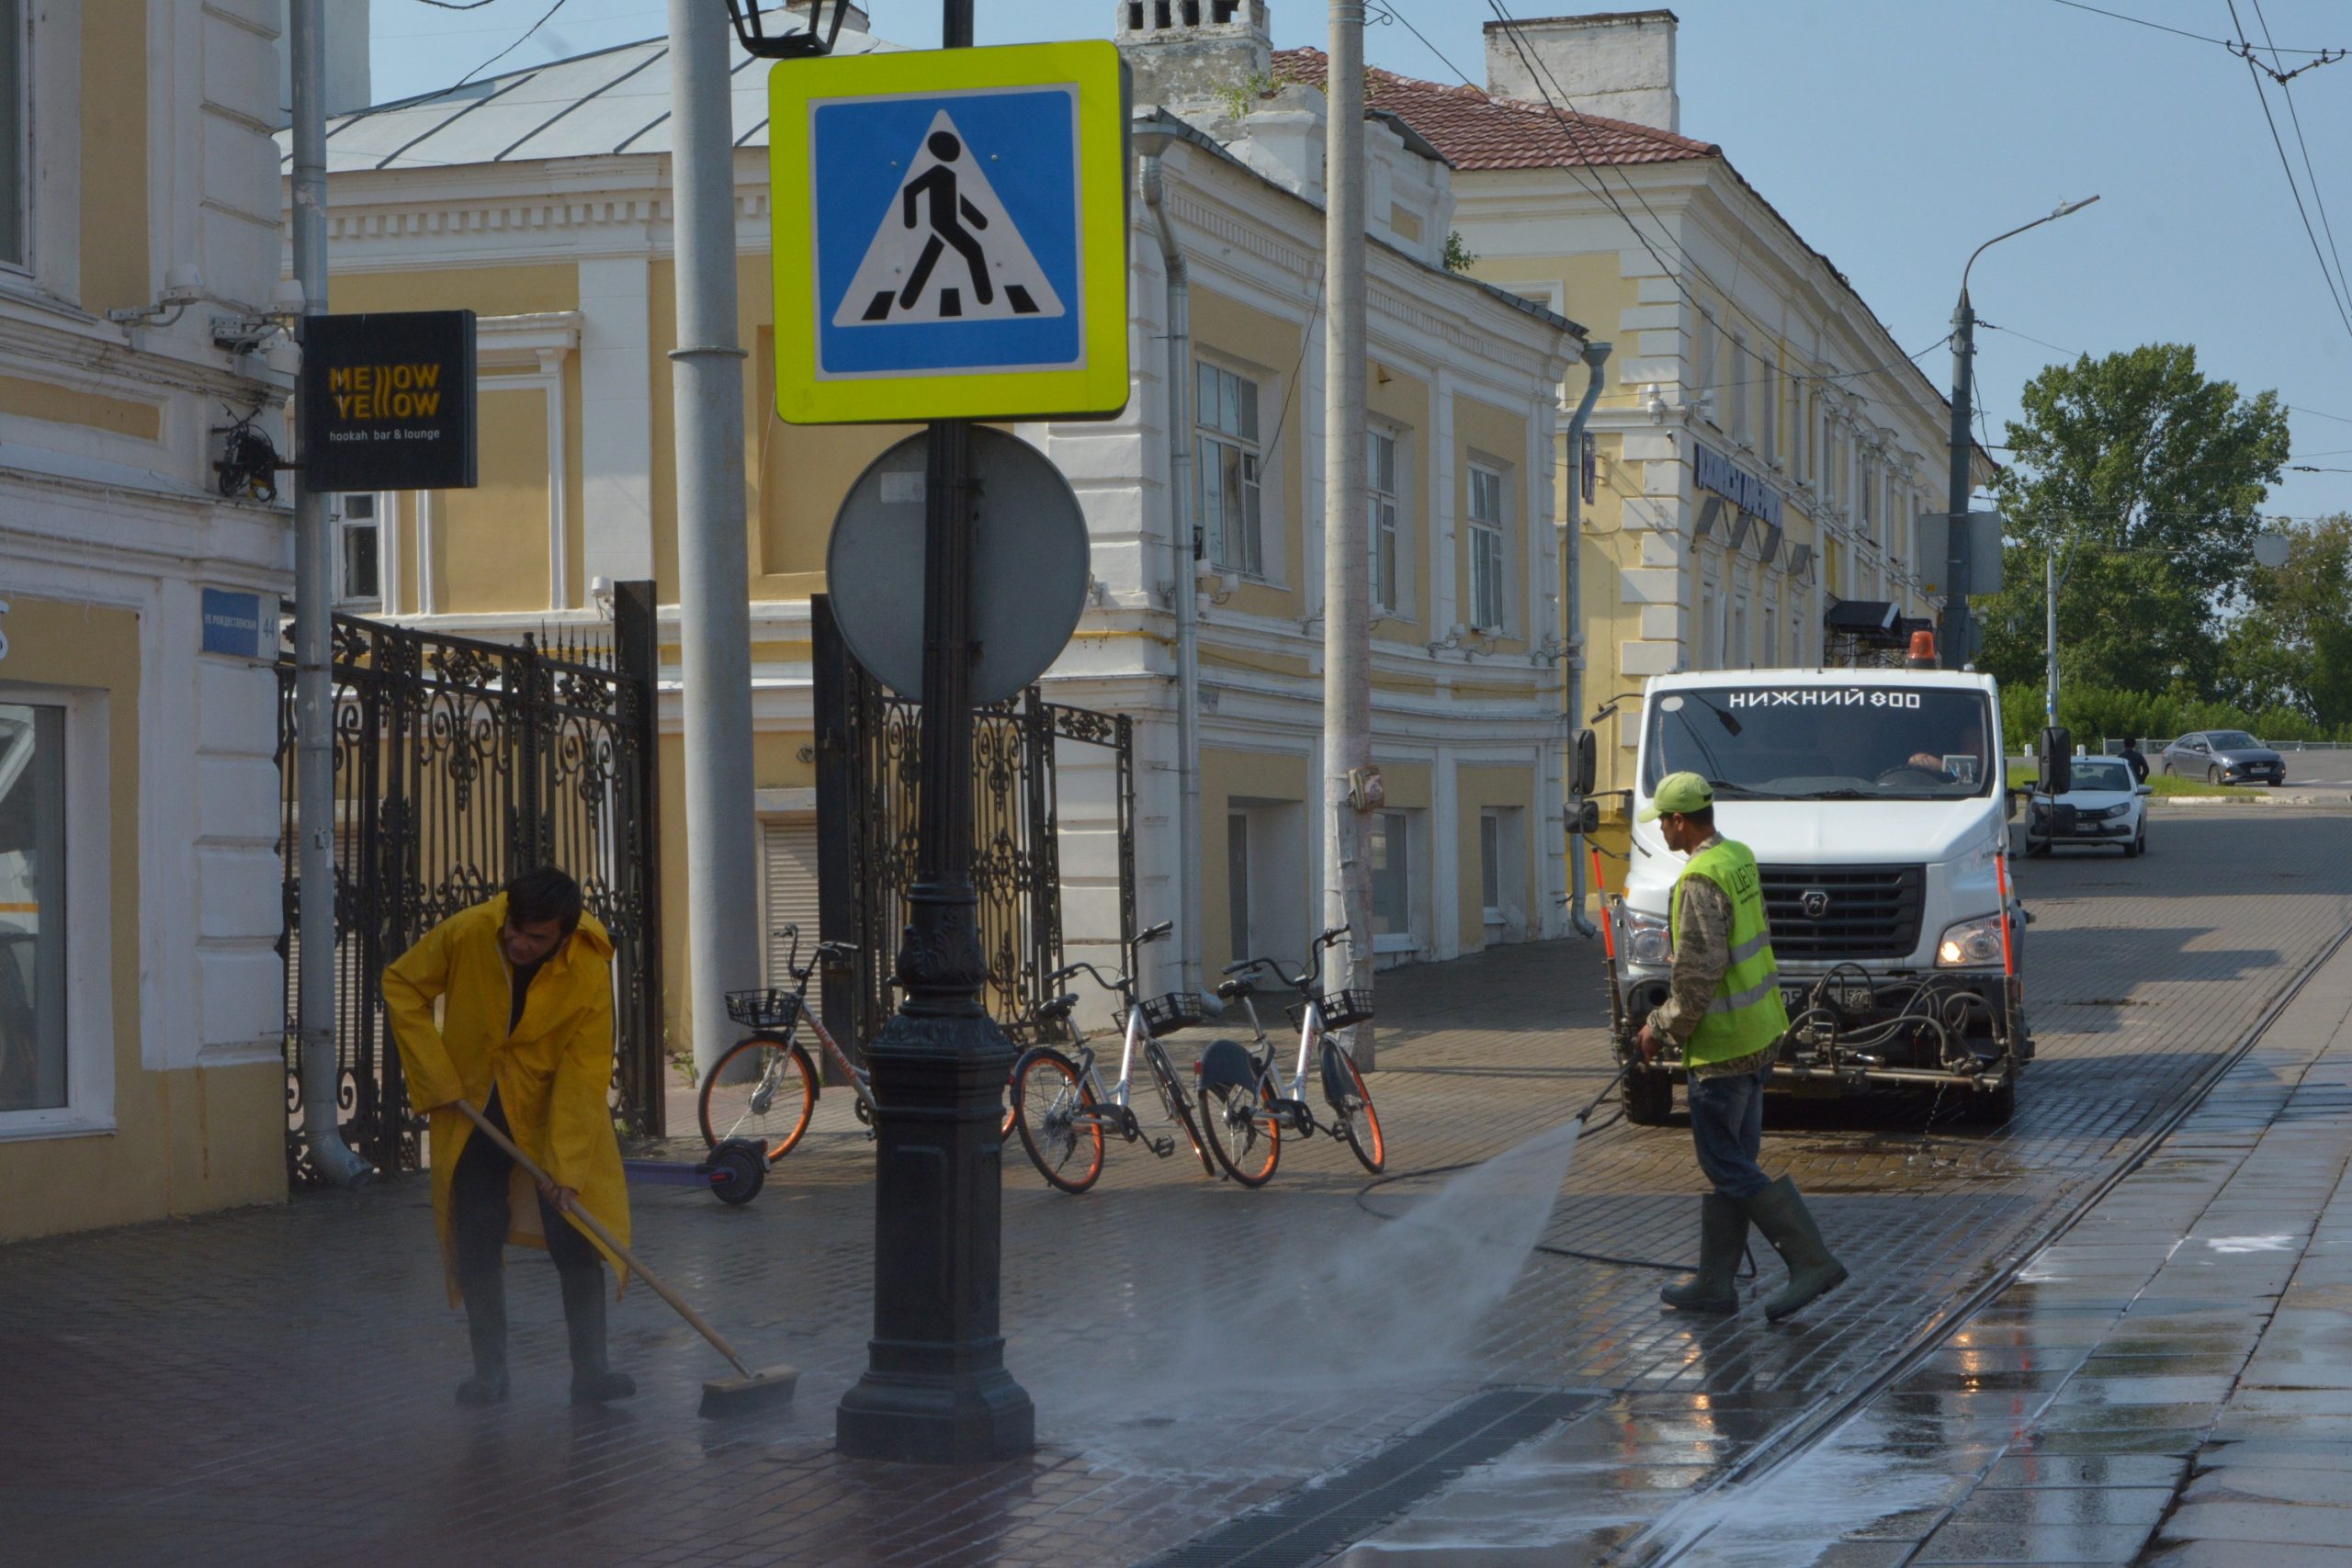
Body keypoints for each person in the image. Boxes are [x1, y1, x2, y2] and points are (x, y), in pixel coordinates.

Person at [383, 867, 636, 1406]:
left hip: (549, 1115)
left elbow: (583, 1071)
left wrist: (566, 1167)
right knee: (476, 1232)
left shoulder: (588, 967)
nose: (520, 943)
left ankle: (592, 1373)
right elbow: (402, 984)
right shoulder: (472, 931)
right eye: (515, 930)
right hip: (472, 1109)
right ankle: (490, 1376)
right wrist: (436, 1074)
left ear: (564, 935)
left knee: (577, 1237)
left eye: (536, 937)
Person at [1633, 773, 1849, 1321]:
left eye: (1663, 819)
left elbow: (1698, 976)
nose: (1660, 828)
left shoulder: (1701, 879)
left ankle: (1811, 1261)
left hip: (1724, 1048)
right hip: (1760, 1034)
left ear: (1681, 820)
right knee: (1737, 1161)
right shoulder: (1738, 857)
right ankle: (1715, 1284)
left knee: (1726, 1163)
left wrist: (1658, 1028)